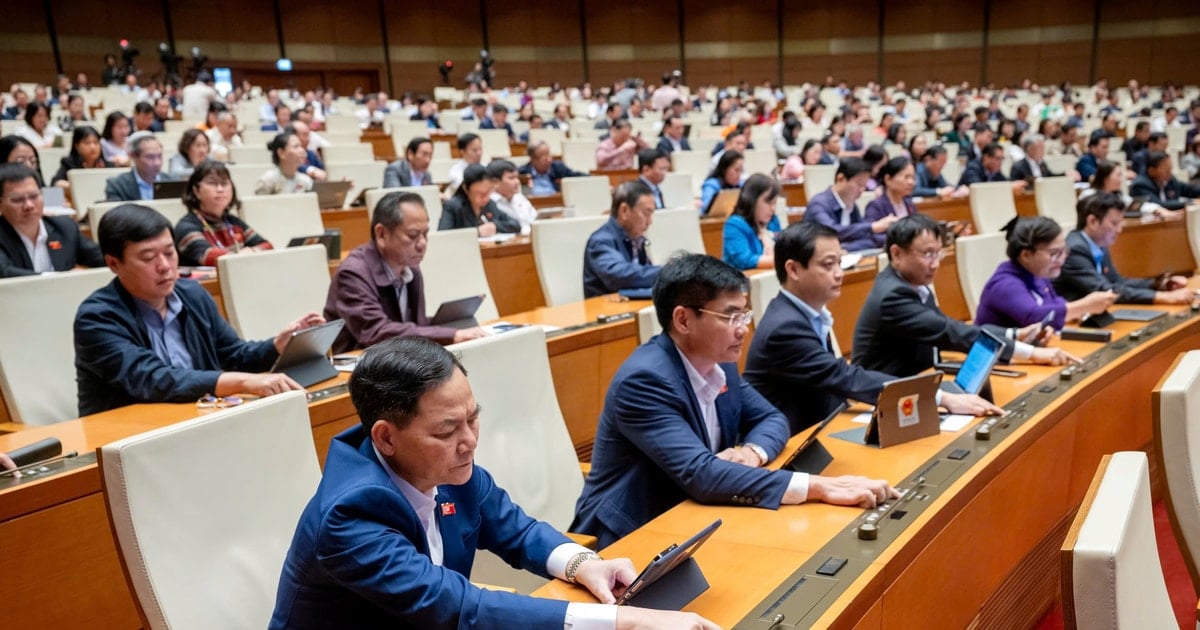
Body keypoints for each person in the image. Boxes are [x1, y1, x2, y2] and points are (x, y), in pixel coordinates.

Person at [270, 336, 717, 630]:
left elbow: (516, 530)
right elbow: (461, 608)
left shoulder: (447, 470)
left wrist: (585, 564)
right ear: (386, 437)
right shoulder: (351, 514)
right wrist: (629, 623)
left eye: (473, 419)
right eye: (447, 431)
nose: (469, 442)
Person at [572, 253, 900, 548]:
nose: (743, 329)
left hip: (697, 518)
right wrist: (818, 487)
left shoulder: (721, 365)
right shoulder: (645, 381)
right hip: (630, 536)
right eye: (730, 317)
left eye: (744, 314)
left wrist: (751, 452)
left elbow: (772, 419)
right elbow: (701, 475)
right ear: (683, 320)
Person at [745, 221, 1002, 433]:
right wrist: (942, 398)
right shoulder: (784, 327)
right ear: (793, 269)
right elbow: (844, 377)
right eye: (828, 265)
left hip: (825, 425)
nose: (839, 273)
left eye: (839, 262)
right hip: (794, 442)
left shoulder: (803, 314)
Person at [74, 204, 324, 416]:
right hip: (129, 435)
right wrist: (243, 382)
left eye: (169, 253)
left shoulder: (192, 295)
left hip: (198, 418)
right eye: (149, 258)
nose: (165, 266)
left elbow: (233, 355)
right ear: (113, 263)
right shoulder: (96, 318)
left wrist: (276, 346)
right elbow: (153, 379)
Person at [851, 214, 1078, 377]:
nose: (936, 264)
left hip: (921, 380)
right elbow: (950, 332)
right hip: (887, 396)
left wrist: (1015, 333)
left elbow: (946, 326)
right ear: (896, 253)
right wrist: (1032, 354)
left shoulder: (911, 283)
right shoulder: (893, 296)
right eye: (928, 254)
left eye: (939, 253)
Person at [325, 192, 486, 353]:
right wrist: (451, 335)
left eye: (425, 234)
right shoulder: (353, 273)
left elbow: (415, 325)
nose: (422, 243)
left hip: (402, 359)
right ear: (381, 234)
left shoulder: (411, 268)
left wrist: (451, 326)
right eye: (413, 235)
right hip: (362, 369)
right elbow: (376, 332)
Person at [974, 216, 1116, 329]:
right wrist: (1084, 306)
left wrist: (1079, 312)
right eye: (1054, 253)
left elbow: (1055, 302)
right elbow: (1033, 317)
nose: (1061, 259)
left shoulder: (1038, 274)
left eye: (1063, 251)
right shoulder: (1005, 284)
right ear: (1026, 255)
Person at [1052, 192, 1193, 305]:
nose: (1119, 230)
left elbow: (1117, 282)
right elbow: (1105, 290)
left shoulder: (1098, 243)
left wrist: (1160, 284)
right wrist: (1164, 297)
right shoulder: (1074, 249)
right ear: (1093, 221)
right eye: (1114, 223)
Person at [0, 163, 103, 277]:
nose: (29, 205)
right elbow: (5, 273)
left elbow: (102, 259)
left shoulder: (65, 228)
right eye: (17, 199)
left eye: (34, 196)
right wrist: (60, 278)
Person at [174, 160, 273, 266]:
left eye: (224, 183)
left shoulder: (233, 222)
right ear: (196, 191)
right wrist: (244, 256)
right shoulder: (186, 226)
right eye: (212, 183)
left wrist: (252, 251)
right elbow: (208, 256)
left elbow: (268, 246)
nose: (220, 189)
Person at [582, 180, 661, 298]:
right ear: (624, 211)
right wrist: (668, 273)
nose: (650, 222)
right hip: (607, 311)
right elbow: (619, 276)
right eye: (646, 213)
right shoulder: (601, 241)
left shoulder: (636, 238)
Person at [803, 157, 893, 252]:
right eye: (859, 184)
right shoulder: (818, 204)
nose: (862, 190)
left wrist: (845, 248)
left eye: (864, 186)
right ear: (841, 178)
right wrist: (871, 227)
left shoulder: (852, 206)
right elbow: (832, 233)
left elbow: (867, 239)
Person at [438, 164, 519, 235]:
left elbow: (515, 225)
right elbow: (444, 235)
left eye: (488, 192)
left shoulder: (489, 204)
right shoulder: (453, 206)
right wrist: (477, 232)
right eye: (480, 194)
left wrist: (495, 226)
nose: (485, 198)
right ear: (466, 189)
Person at [723, 173, 781, 270]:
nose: (773, 208)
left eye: (774, 203)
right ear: (751, 200)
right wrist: (782, 260)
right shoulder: (734, 225)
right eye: (768, 202)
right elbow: (745, 261)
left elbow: (783, 249)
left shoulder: (773, 221)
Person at [104, 133, 168, 201]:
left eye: (159, 156)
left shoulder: (172, 182)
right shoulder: (118, 186)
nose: (157, 163)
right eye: (150, 157)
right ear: (133, 156)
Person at [1130, 151, 1200, 211]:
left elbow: (1189, 190)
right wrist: (1190, 202)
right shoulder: (1140, 185)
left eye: (1170, 169)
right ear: (1152, 170)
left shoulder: (1170, 179)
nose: (1170, 173)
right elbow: (1158, 204)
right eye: (1166, 170)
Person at [255, 131, 314, 195]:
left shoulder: (306, 181)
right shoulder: (267, 180)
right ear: (281, 153)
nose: (302, 151)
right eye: (296, 147)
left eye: (301, 146)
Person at [518, 140, 585, 195]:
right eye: (544, 158)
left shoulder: (558, 168)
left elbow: (577, 177)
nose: (549, 160)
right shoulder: (522, 173)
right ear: (532, 159)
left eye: (549, 155)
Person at [487, 159, 536, 232]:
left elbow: (534, 217)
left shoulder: (519, 197)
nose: (517, 182)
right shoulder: (489, 203)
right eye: (511, 178)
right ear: (495, 182)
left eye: (517, 177)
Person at [864, 156, 918, 221]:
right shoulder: (876, 207)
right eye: (906, 177)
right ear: (888, 179)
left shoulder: (909, 203)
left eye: (913, 178)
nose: (911, 182)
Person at [959, 143, 1023, 190]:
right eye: (998, 158)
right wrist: (1010, 186)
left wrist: (1014, 183)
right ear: (986, 157)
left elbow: (1004, 181)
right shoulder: (973, 168)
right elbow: (978, 188)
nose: (1000, 162)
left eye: (1002, 158)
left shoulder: (995, 170)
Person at [700, 149, 744, 213]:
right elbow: (706, 207)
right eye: (736, 170)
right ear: (724, 169)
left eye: (741, 170)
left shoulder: (742, 185)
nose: (739, 174)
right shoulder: (711, 185)